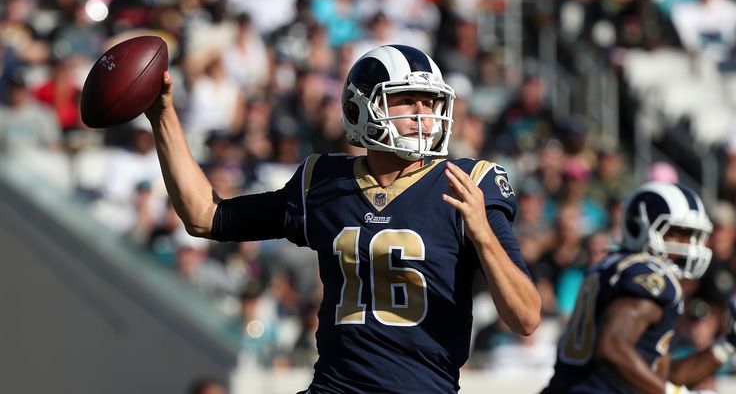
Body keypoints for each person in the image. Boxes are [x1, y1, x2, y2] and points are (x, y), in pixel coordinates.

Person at [145, 44, 541, 392]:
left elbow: (525, 317)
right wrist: (162, 114)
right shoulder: (323, 182)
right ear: (360, 107)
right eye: (406, 99)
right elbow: (204, 216)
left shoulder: (467, 184)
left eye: (430, 101)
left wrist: (483, 234)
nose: (423, 114)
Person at [541, 181, 736, 394]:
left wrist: (726, 345)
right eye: (678, 232)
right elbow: (612, 346)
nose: (688, 245)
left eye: (693, 235)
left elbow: (659, 375)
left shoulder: (615, 265)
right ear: (638, 227)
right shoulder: (649, 276)